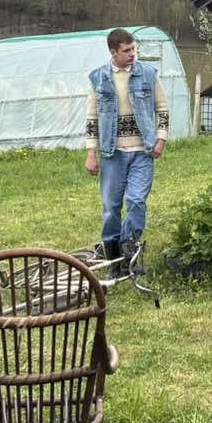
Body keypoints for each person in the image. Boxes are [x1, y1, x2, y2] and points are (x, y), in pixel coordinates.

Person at [85, 28, 168, 262]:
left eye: (134, 48)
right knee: (111, 207)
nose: (132, 54)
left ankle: (129, 250)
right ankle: (113, 255)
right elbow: (92, 119)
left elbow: (162, 109)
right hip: (112, 153)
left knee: (136, 200)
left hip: (143, 151)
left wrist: (161, 139)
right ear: (114, 52)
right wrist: (91, 153)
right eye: (127, 50)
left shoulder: (148, 74)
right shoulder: (98, 78)